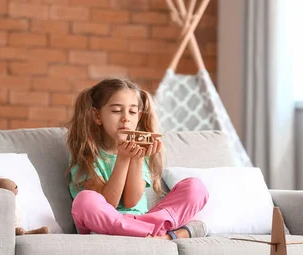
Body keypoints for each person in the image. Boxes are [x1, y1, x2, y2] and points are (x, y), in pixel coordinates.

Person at [66, 78, 209, 240]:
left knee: (195, 187)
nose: (126, 118)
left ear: (139, 117)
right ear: (97, 116)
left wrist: (137, 158)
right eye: (116, 111)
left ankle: (142, 233)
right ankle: (164, 236)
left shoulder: (140, 150)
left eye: (132, 112)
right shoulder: (86, 153)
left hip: (141, 219)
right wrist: (123, 158)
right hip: (106, 222)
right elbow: (108, 203)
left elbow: (131, 202)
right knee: (85, 200)